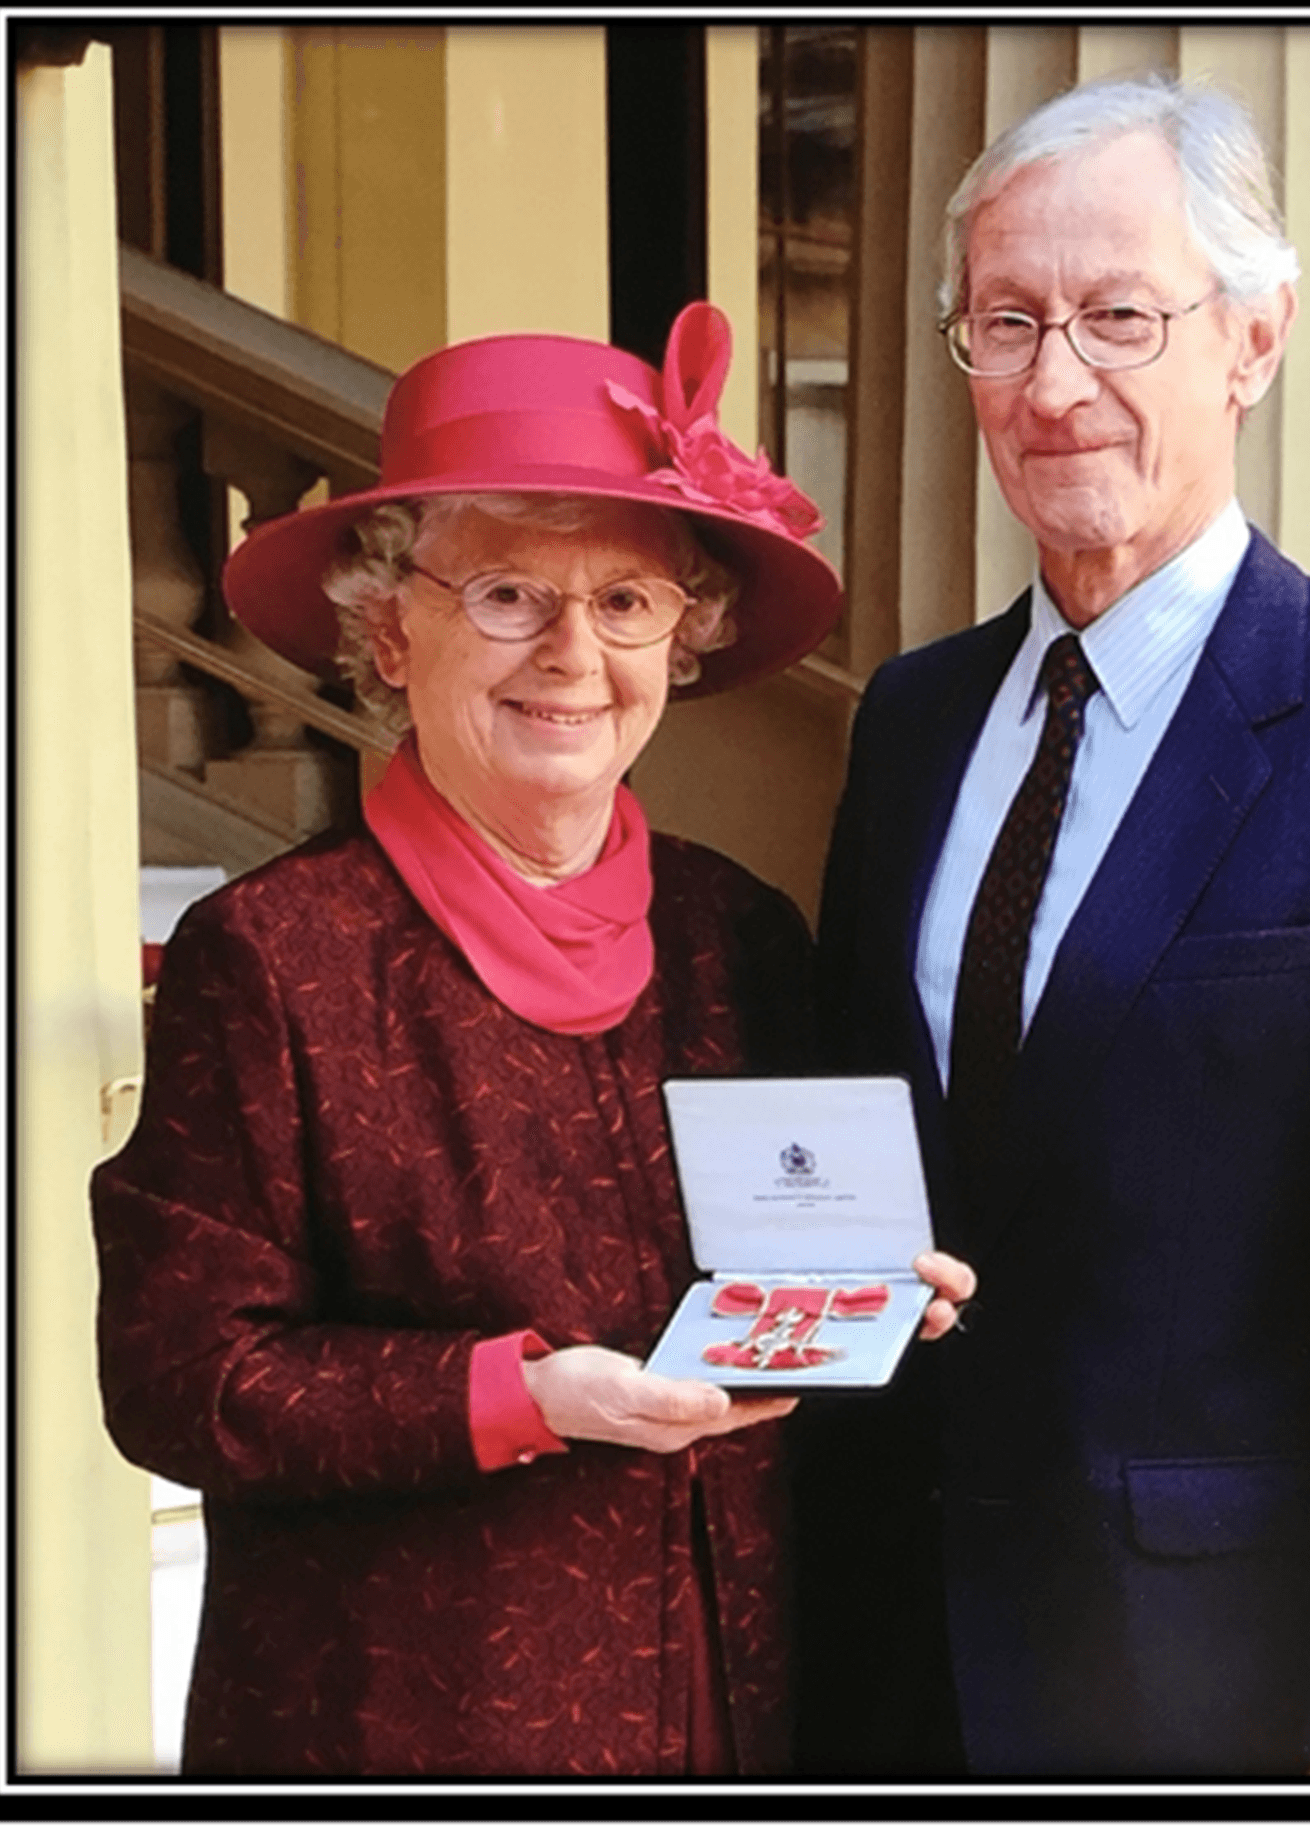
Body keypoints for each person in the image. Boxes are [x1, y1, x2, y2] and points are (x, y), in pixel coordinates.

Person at [800, 74, 1310, 1777]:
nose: (1054, 383)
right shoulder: (914, 722)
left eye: (1116, 318)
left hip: (1227, 1699)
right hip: (901, 1662)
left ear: (1252, 339)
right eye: (1003, 324)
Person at [91, 302, 973, 1778]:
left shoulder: (733, 933)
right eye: (506, 594)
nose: (572, 654)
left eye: (627, 604)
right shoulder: (276, 957)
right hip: (404, 1730)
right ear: (390, 625)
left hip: (735, 1710)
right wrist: (517, 1397)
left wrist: (871, 1292)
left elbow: (778, 1263)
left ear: (679, 642)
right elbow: (184, 1375)